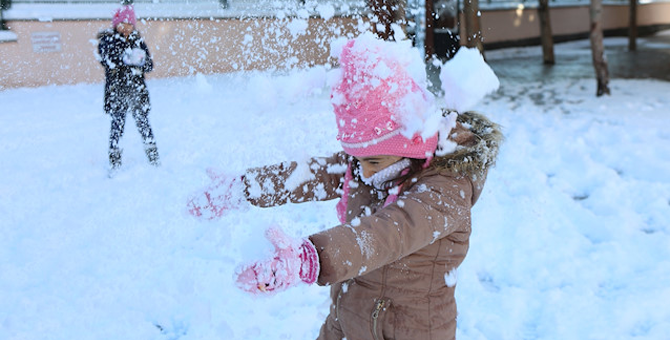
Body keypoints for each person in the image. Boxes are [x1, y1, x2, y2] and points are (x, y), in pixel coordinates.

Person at [187, 33, 502, 340]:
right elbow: (311, 175)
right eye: (357, 158)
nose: (363, 170)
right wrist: (245, 187)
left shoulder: (445, 190)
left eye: (373, 161)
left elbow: (387, 233)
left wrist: (311, 258)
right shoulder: (373, 164)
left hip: (408, 328)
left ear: (412, 147)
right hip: (347, 316)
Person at [97, 4, 159, 173]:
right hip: (117, 91)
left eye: (130, 24)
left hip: (137, 91)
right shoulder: (108, 40)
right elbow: (107, 59)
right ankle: (114, 157)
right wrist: (125, 59)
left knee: (143, 122)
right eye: (122, 24)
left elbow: (149, 65)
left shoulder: (138, 41)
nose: (126, 28)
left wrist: (140, 61)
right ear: (116, 24)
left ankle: (152, 154)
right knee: (117, 123)